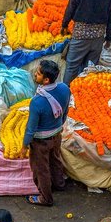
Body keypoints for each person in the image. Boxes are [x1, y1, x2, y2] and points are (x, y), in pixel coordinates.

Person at [23, 60, 70, 206]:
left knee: (41, 170)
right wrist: (59, 124)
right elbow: (65, 110)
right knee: (55, 159)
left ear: (46, 79)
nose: (35, 75)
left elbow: (31, 128)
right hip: (56, 135)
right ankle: (59, 184)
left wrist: (24, 145)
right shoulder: (64, 88)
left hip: (41, 142)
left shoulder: (37, 102)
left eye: (38, 74)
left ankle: (46, 198)